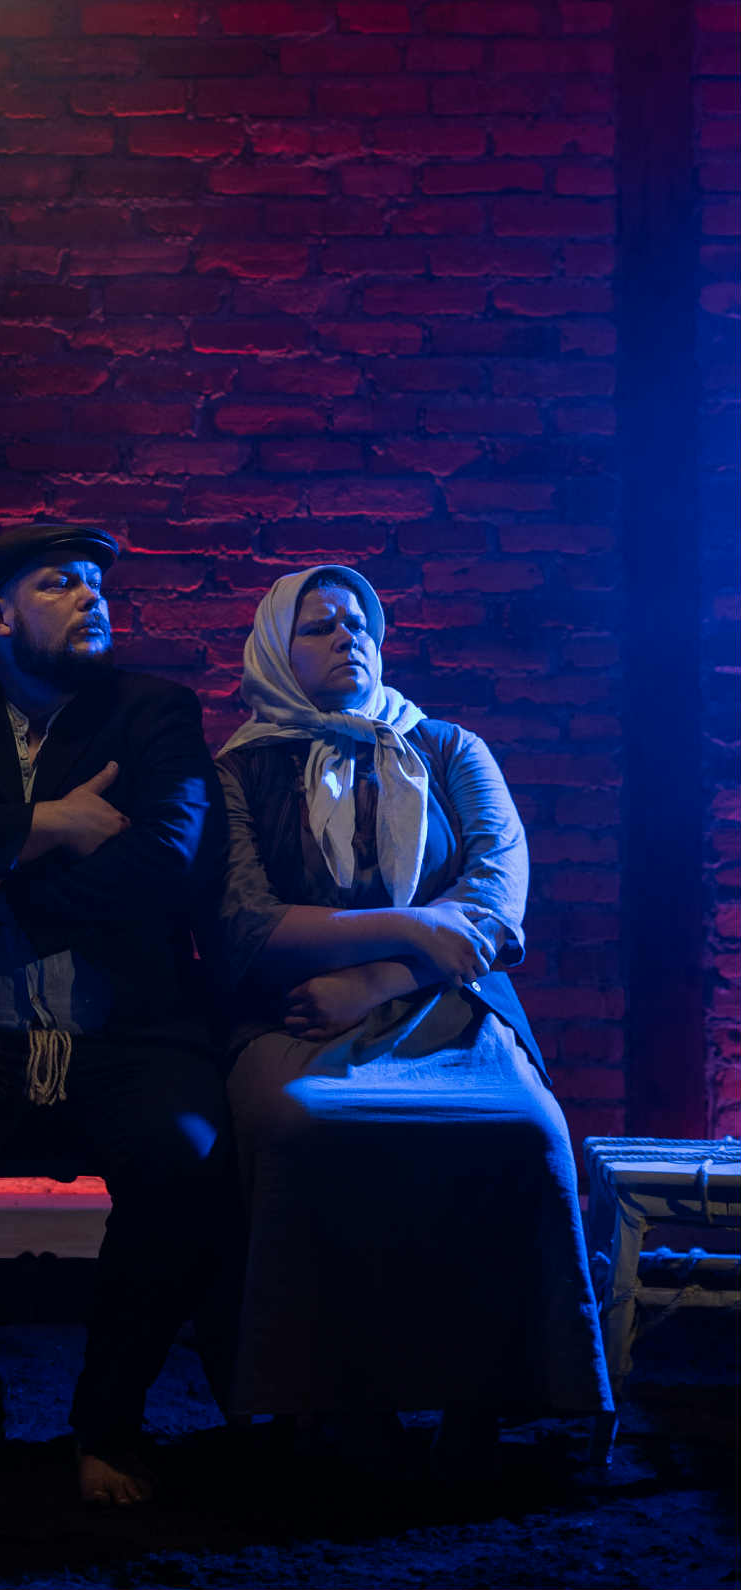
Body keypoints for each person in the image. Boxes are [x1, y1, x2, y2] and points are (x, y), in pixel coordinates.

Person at [0, 521, 232, 1505]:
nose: (90, 595)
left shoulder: (152, 713)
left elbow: (169, 857)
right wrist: (50, 824)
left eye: (96, 582)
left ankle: (107, 1426)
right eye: (60, 583)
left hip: (126, 1035)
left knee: (186, 1151)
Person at [210, 564, 611, 1452]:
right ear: (275, 650)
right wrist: (414, 926)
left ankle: (494, 1389)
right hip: (293, 1010)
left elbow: (494, 907)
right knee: (300, 1127)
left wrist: (376, 979)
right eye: (318, 626)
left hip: (447, 1003)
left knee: (523, 1131)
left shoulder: (448, 749)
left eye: (358, 623)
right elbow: (245, 924)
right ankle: (327, 1394)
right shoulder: (239, 771)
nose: (346, 637)